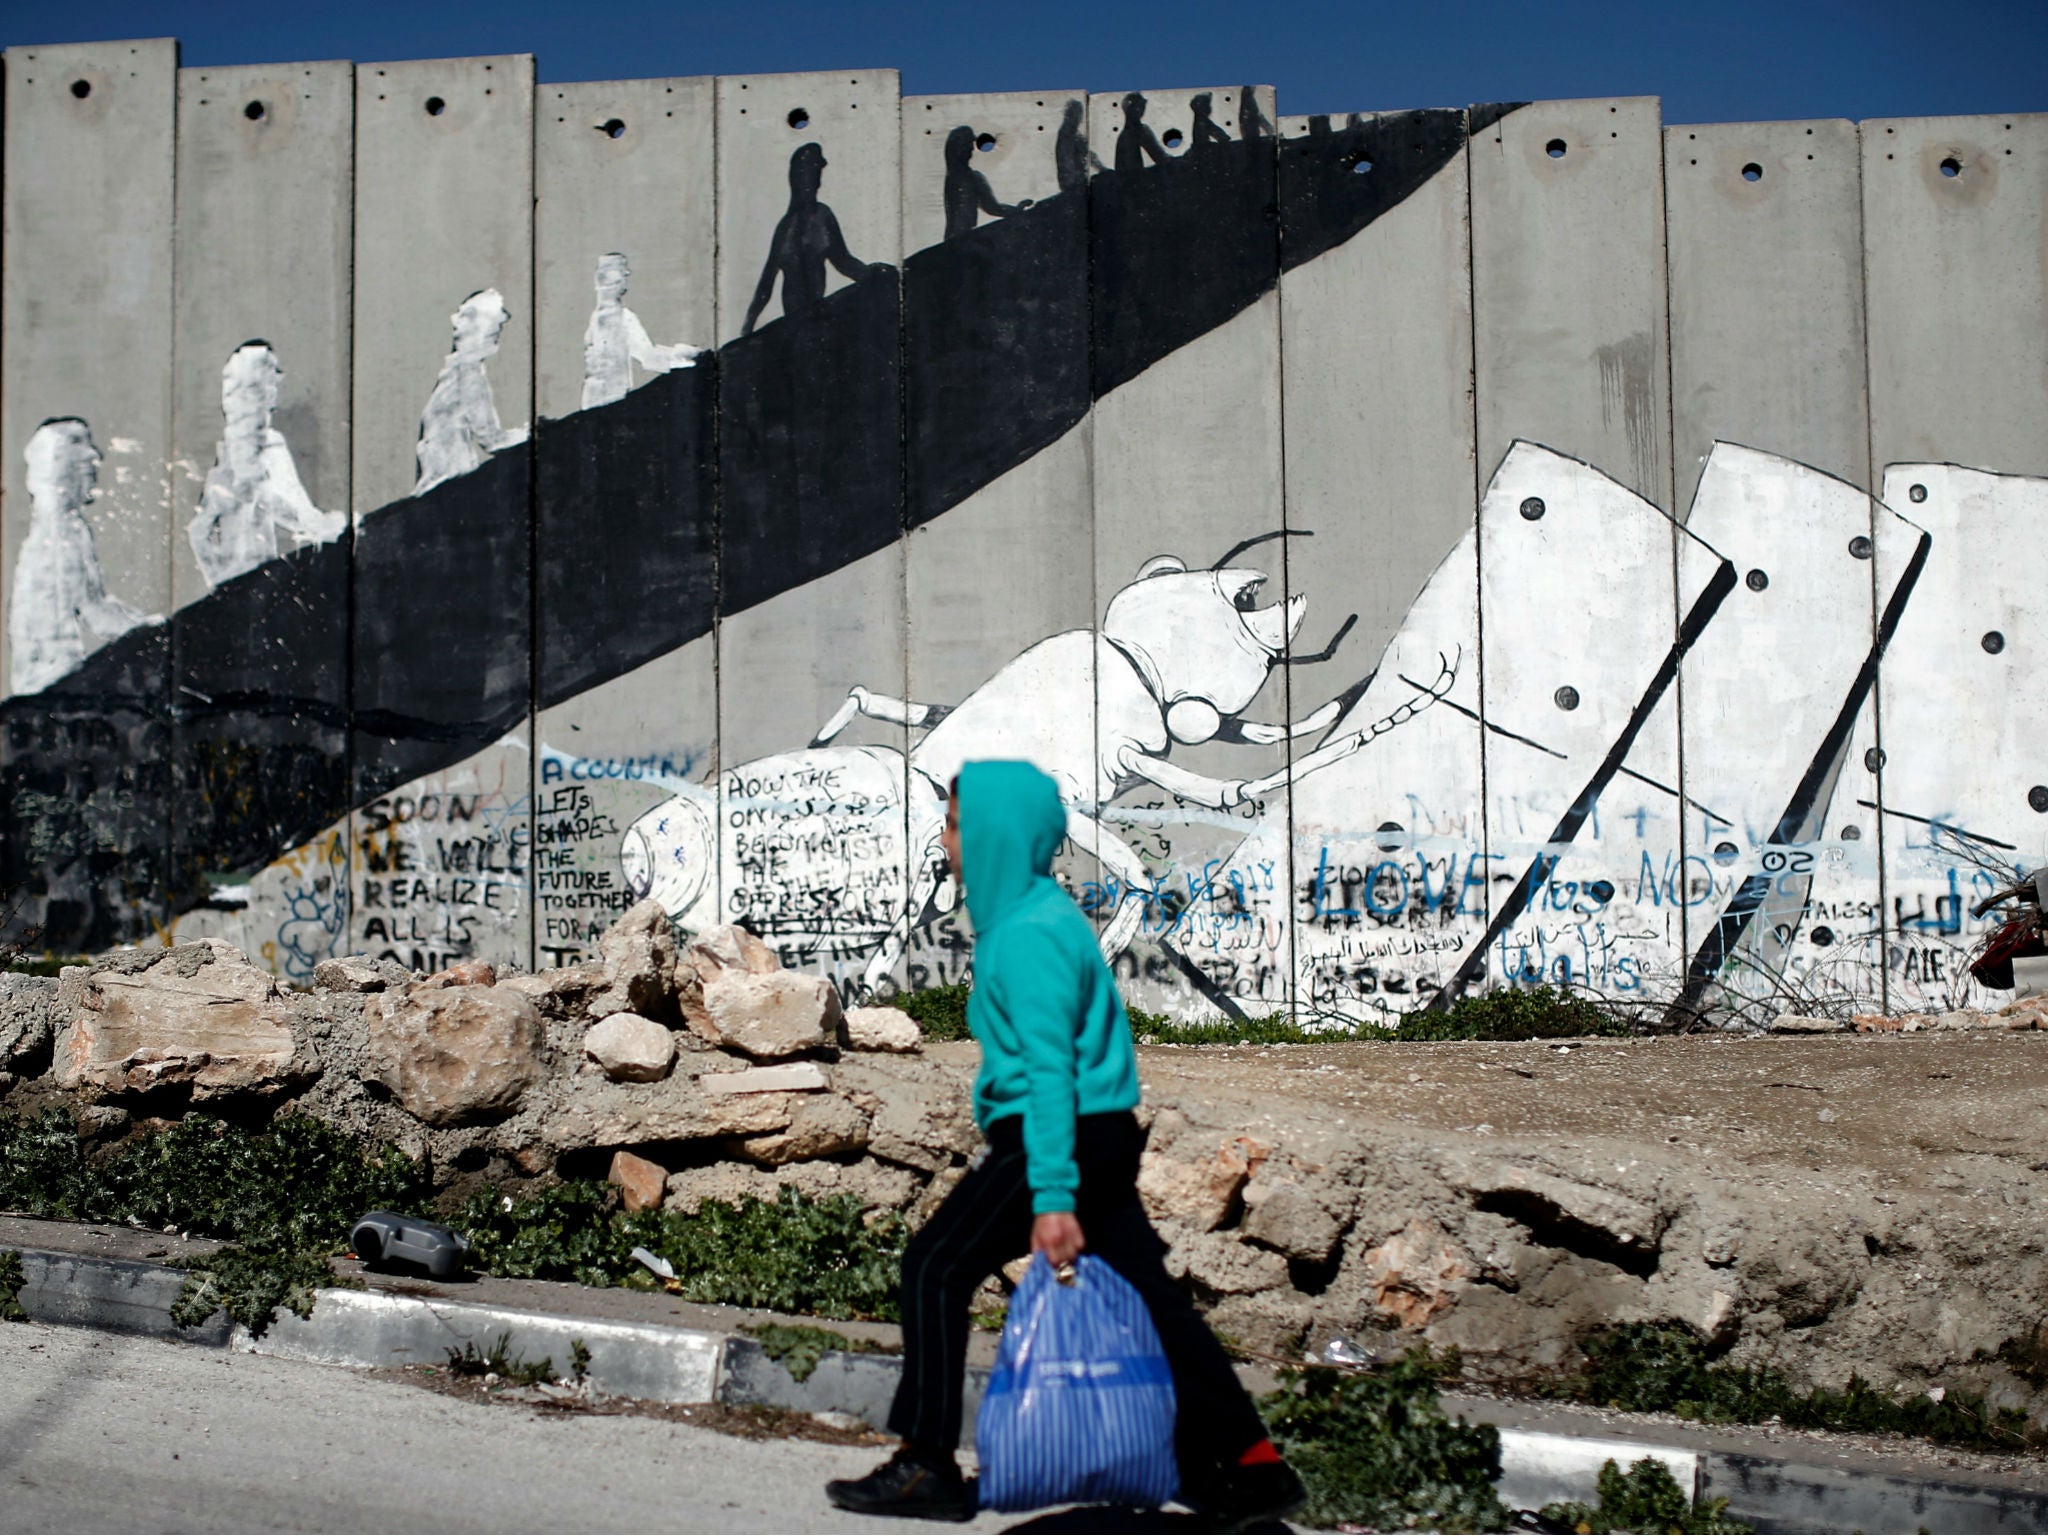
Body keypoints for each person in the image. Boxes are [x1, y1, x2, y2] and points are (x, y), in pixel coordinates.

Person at [824, 760, 1305, 1527]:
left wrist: (1050, 1196)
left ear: (993, 836)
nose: (945, 841)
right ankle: (1251, 1465)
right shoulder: (1037, 916)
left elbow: (1050, 1071)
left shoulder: (1026, 935)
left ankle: (927, 1464)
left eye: (956, 825)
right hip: (1095, 1133)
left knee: (935, 1267)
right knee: (1151, 1299)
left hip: (1057, 1136)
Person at [9, 417, 160, 695]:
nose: (95, 459)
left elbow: (95, 603)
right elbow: (95, 613)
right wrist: (147, 630)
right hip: (51, 681)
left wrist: (142, 624)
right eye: (80, 446)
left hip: (51, 676)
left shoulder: (66, 529)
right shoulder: (59, 535)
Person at [188, 341, 347, 588]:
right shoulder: (234, 455)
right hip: (247, 581)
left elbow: (293, 509)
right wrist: (217, 576)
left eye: (270, 385)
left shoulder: (266, 446)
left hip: (260, 577)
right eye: (258, 388)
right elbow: (199, 529)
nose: (270, 394)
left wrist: (321, 526)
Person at [741, 143, 890, 336]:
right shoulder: (787, 227)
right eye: (811, 171)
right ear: (798, 177)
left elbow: (843, 261)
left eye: (816, 171)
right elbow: (766, 284)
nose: (815, 178)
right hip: (797, 320)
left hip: (817, 314)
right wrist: (748, 327)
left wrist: (870, 275)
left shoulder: (821, 216)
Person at [414, 288, 527, 495]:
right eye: (494, 331)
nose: (496, 337)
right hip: (450, 489)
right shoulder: (468, 377)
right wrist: (531, 433)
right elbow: (492, 440)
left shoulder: (450, 377)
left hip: (436, 487)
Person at [581, 252, 703, 410]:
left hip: (592, 400)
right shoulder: (622, 318)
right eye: (622, 278)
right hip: (611, 401)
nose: (624, 285)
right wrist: (687, 355)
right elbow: (649, 358)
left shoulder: (596, 319)